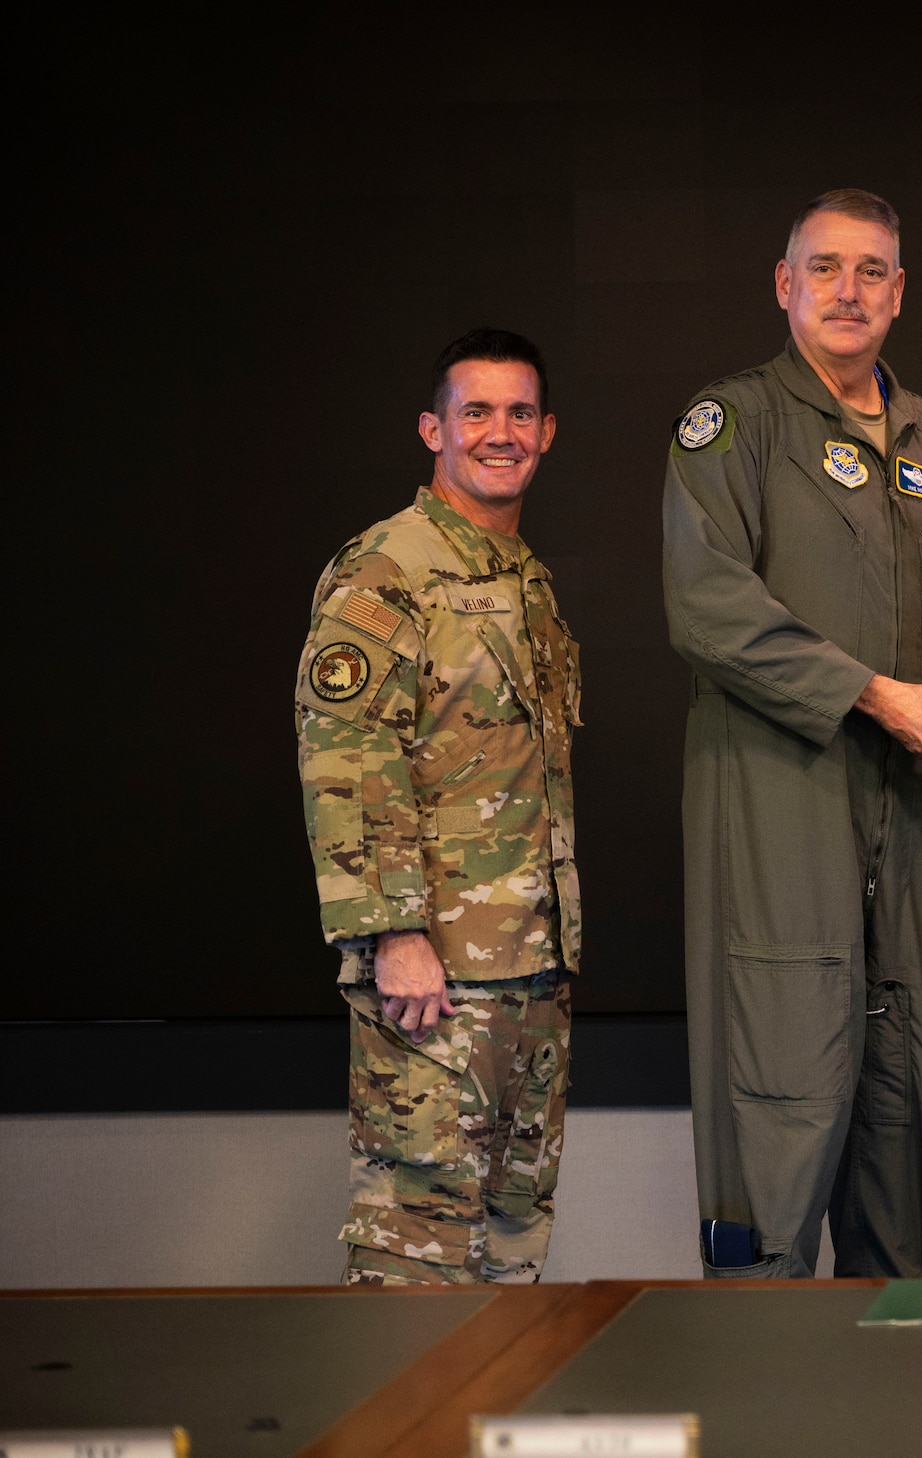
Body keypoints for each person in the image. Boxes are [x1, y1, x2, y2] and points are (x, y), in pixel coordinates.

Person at [662, 189, 922, 1279]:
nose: (849, 290)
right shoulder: (733, 421)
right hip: (776, 787)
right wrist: (876, 696)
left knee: (905, 1092)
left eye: (873, 270)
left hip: (900, 803)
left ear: (901, 292)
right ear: (784, 284)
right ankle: (765, 1387)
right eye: (826, 268)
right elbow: (706, 608)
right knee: (781, 1077)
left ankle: (905, 1399)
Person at [296, 328, 582, 1285]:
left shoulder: (525, 582)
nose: (499, 433)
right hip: (434, 980)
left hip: (530, 971)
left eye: (520, 414)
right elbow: (346, 752)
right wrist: (393, 934)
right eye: (476, 413)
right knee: (418, 1245)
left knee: (511, 1241)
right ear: (434, 429)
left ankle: (488, 1430)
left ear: (548, 434)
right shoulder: (388, 569)